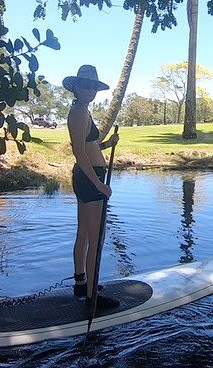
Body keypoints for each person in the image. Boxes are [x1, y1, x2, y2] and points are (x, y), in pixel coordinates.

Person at [63, 65, 120, 308]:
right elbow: (78, 152)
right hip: (89, 178)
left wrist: (108, 143)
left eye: (93, 87)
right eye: (85, 85)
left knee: (85, 233)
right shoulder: (78, 112)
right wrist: (99, 184)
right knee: (96, 238)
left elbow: (90, 146)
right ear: (76, 87)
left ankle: (81, 283)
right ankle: (91, 295)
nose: (90, 90)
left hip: (87, 177)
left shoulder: (83, 112)